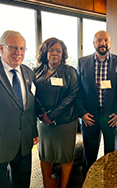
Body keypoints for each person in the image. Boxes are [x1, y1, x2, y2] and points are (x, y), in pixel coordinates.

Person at [77, 30, 117, 175]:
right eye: (99, 40)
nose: (102, 43)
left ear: (110, 43)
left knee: (112, 152)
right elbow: (78, 90)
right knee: (89, 153)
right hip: (89, 116)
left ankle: (110, 179)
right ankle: (88, 179)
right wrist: (82, 113)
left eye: (106, 40)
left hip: (111, 116)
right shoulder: (82, 62)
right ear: (94, 43)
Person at [34, 37, 79, 188]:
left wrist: (51, 115)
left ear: (63, 54)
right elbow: (32, 94)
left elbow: (73, 95)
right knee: (45, 155)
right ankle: (48, 184)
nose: (54, 53)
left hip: (65, 121)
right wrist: (42, 115)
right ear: (45, 52)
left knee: (65, 155)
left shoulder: (70, 71)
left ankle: (63, 185)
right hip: (43, 123)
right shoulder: (37, 71)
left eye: (58, 51)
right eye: (51, 50)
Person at [0, 30, 38, 188]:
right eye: (13, 48)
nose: (18, 53)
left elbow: (30, 107)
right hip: (1, 142)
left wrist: (34, 131)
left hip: (24, 141)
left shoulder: (29, 73)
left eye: (22, 49)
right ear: (1, 49)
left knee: (22, 182)